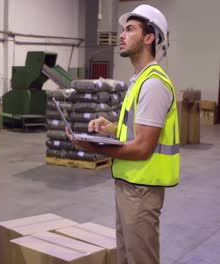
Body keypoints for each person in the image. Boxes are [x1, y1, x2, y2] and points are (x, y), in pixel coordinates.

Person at [66, 4, 180, 264]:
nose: (121, 35)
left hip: (142, 189)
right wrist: (110, 128)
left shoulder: (153, 85)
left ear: (149, 37)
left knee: (140, 259)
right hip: (129, 185)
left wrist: (95, 148)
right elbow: (136, 132)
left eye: (130, 29)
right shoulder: (139, 81)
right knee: (127, 258)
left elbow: (142, 147)